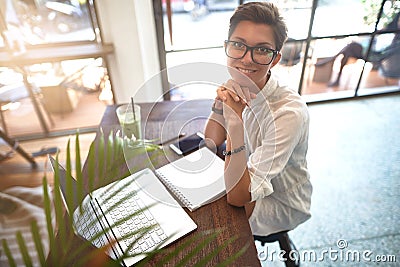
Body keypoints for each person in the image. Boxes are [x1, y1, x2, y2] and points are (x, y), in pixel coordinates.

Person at [204, 2, 312, 237]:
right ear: (227, 46)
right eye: (238, 45)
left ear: (275, 59)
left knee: (211, 225)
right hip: (247, 172)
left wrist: (234, 123)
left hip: (280, 201)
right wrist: (222, 102)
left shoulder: (287, 114)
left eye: (262, 50)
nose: (246, 59)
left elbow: (238, 197)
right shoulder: (239, 80)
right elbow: (211, 139)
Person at [316, 11, 400, 87]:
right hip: (372, 49)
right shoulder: (392, 28)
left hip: (376, 54)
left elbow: (384, 49)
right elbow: (380, 32)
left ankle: (330, 60)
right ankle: (334, 68)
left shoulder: (396, 37)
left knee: (350, 46)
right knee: (348, 51)